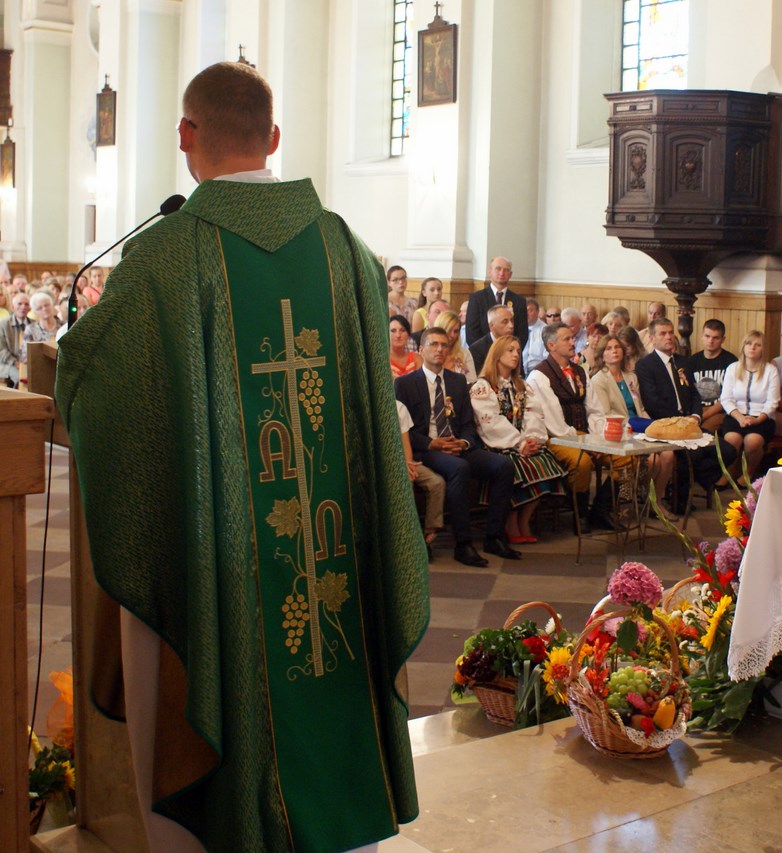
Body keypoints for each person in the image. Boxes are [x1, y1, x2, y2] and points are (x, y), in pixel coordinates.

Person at [53, 61, 428, 853]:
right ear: (274, 138)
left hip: (222, 566)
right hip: (337, 547)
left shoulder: (164, 259)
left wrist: (70, 356)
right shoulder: (347, 252)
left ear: (185, 135)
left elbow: (100, 384)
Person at [396, 326, 521, 566]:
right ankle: (463, 544)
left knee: (503, 465)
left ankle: (494, 536)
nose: (440, 349)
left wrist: (463, 442)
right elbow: (404, 430)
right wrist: (433, 443)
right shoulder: (405, 384)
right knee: (459, 468)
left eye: (444, 345)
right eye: (433, 344)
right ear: (421, 350)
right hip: (427, 449)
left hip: (457, 445)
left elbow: (466, 424)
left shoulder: (457, 380)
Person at [470, 334, 567, 544]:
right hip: (499, 445)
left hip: (524, 443)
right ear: (497, 355)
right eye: (510, 350)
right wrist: (519, 443)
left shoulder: (522, 385)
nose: (516, 354)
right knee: (518, 467)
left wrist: (532, 439)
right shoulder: (483, 387)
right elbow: (490, 422)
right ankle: (511, 521)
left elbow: (533, 413)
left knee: (545, 463)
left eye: (517, 350)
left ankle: (524, 519)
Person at [635, 317, 738, 509]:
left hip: (689, 424)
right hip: (665, 427)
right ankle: (681, 501)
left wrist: (696, 416)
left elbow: (694, 394)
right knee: (693, 455)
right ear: (652, 338)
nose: (669, 337)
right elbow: (652, 402)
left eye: (670, 332)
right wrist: (680, 421)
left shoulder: (683, 362)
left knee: (728, 451)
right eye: (663, 333)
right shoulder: (645, 365)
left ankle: (697, 480)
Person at [528, 322, 623, 530]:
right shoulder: (539, 375)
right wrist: (587, 444)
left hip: (584, 435)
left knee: (626, 459)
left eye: (572, 338)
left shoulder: (580, 371)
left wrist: (597, 439)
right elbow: (554, 423)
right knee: (582, 462)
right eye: (567, 339)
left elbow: (594, 409)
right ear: (551, 345)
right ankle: (580, 514)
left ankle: (601, 509)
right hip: (557, 437)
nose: (573, 342)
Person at [587, 333, 676, 512]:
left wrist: (650, 424)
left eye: (617, 347)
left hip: (639, 426)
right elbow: (605, 415)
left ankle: (656, 501)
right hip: (620, 431)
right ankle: (644, 497)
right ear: (602, 355)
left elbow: (640, 407)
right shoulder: (599, 380)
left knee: (668, 455)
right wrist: (635, 425)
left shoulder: (630, 377)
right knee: (653, 461)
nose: (614, 351)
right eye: (609, 348)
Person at [718, 331, 780, 484]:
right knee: (732, 440)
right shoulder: (733, 368)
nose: (752, 347)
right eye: (749, 343)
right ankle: (730, 471)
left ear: (763, 349)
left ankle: (748, 472)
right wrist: (740, 418)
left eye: (757, 345)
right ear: (743, 347)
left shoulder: (770, 371)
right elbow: (726, 399)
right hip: (736, 415)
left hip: (762, 418)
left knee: (752, 442)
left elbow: (772, 402)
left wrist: (757, 420)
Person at [395, 399, 446, 551]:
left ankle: (429, 532)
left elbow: (405, 443)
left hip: (404, 462)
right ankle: (408, 540)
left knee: (436, 482)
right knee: (406, 482)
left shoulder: (399, 407)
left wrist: (408, 464)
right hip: (386, 464)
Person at [465, 256, 529, 348]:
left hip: (511, 353)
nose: (502, 273)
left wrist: (508, 352)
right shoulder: (477, 299)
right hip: (483, 354)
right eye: (498, 269)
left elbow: (522, 335)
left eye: (506, 270)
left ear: (510, 274)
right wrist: (492, 353)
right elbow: (471, 334)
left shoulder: (519, 301)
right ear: (490, 271)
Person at [687, 318, 737, 432]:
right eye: (707, 336)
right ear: (702, 336)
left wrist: (701, 417)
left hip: (720, 411)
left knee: (703, 431)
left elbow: (729, 398)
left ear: (723, 339)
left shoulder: (731, 362)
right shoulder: (692, 361)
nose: (710, 341)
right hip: (696, 409)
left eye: (716, 338)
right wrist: (695, 414)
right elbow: (688, 393)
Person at [468, 303, 515, 372]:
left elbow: (520, 374)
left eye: (512, 321)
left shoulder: (515, 345)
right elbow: (480, 376)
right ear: (491, 326)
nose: (511, 326)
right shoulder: (477, 349)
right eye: (505, 322)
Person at [436, 309, 477, 382]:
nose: (452, 335)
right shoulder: (429, 353)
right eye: (449, 330)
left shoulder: (464, 353)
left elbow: (472, 381)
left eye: (456, 331)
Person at [0, 290, 29, 386]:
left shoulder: (33, 324)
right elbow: (1, 351)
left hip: (28, 363)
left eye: (26, 304)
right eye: (19, 304)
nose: (23, 307)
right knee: (20, 377)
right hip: (6, 363)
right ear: (13, 307)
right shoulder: (3, 325)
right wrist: (15, 362)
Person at [524, 298, 547, 373]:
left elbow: (547, 357)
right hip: (519, 370)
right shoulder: (518, 328)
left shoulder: (545, 330)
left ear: (537, 312)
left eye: (530, 310)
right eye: (524, 310)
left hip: (538, 370)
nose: (526, 314)